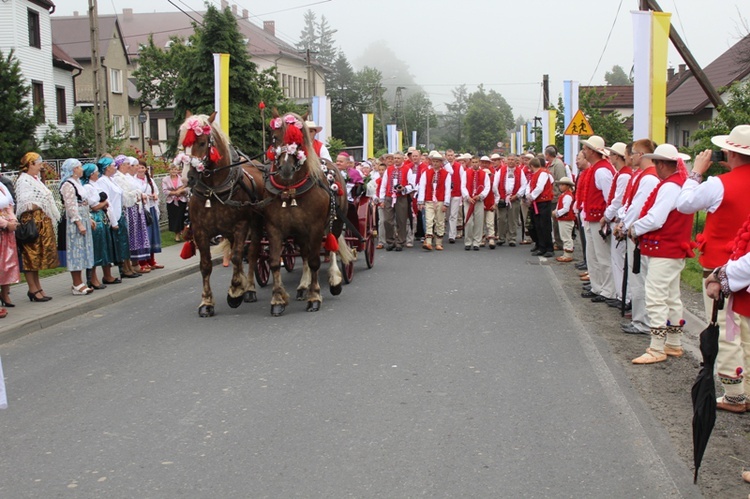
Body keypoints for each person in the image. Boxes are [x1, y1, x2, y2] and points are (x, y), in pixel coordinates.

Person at [676, 124, 750, 412]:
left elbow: (684, 204)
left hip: (723, 268)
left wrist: (696, 173)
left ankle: (734, 393)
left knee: (728, 331)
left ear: (729, 153)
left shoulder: (719, 183)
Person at [629, 144, 693, 365]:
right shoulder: (678, 184)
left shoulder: (669, 187)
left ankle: (657, 346)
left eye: (656, 162)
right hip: (673, 247)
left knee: (656, 295)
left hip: (664, 247)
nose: (655, 166)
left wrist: (634, 228)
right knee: (671, 295)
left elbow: (656, 218)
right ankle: (673, 342)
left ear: (663, 164)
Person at [615, 138, 659, 335]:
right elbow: (631, 204)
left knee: (639, 278)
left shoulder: (649, 177)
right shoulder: (644, 175)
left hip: (639, 233)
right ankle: (641, 318)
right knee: (637, 277)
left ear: (641, 155)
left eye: (633, 153)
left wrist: (625, 226)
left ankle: (642, 321)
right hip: (637, 231)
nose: (630, 157)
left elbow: (639, 207)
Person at [15, 152, 60, 302]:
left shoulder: (35, 179)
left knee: (37, 257)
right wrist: (41, 204)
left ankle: (37, 287)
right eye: (38, 163)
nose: (41, 165)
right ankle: (32, 289)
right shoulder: (23, 181)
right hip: (31, 221)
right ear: (30, 164)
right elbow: (24, 203)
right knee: (30, 256)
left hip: (40, 220)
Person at [579, 136, 616, 303]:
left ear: (593, 151)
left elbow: (610, 196)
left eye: (586, 149)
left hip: (598, 218)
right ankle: (598, 286)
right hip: (592, 216)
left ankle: (607, 290)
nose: (584, 151)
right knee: (593, 254)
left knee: (602, 256)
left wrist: (606, 217)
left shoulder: (602, 170)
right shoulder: (597, 168)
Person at [602, 142, 633, 308]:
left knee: (619, 260)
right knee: (617, 260)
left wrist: (607, 216)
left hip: (620, 220)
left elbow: (619, 200)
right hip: (618, 219)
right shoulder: (622, 174)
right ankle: (621, 294)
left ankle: (624, 296)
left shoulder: (624, 176)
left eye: (612, 155)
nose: (610, 158)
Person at [97, 155, 138, 279]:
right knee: (118, 243)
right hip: (113, 215)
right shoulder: (102, 181)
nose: (115, 167)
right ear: (106, 168)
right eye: (112, 166)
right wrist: (112, 219)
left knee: (124, 242)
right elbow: (107, 200)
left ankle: (127, 266)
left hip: (120, 213)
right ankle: (123, 268)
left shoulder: (112, 180)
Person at [59, 158, 95, 295]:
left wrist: (89, 218)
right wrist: (79, 223)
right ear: (74, 169)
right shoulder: (68, 185)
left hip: (84, 216)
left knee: (83, 250)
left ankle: (81, 282)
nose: (82, 169)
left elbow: (84, 202)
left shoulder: (77, 182)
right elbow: (71, 206)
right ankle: (76, 283)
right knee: (76, 250)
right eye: (80, 167)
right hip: (76, 221)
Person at [81, 163, 118, 288]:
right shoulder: (87, 187)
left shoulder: (96, 185)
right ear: (91, 174)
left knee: (104, 246)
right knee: (96, 248)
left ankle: (107, 275)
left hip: (102, 218)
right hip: (95, 219)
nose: (98, 173)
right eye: (96, 172)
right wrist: (104, 203)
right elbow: (94, 206)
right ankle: (92, 279)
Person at [378, 151, 416, 251]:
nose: (396, 160)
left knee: (401, 220)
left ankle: (400, 241)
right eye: (395, 158)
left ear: (403, 159)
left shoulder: (407, 169)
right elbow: (384, 184)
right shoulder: (389, 170)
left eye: (398, 158)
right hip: (389, 197)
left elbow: (412, 185)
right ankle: (390, 241)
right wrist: (382, 198)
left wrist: (404, 188)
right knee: (387, 220)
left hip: (401, 197)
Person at [417, 151, 451, 251]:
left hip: (440, 200)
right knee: (429, 220)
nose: (435, 163)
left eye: (437, 161)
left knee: (440, 221)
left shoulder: (446, 174)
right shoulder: (426, 173)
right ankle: (428, 242)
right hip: (429, 200)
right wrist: (421, 201)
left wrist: (446, 203)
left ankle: (439, 242)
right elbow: (422, 187)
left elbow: (448, 189)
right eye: (434, 161)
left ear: (441, 163)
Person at [524, 157, 555, 257]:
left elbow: (539, 187)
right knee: (537, 225)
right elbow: (529, 186)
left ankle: (549, 248)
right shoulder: (536, 174)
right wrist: (529, 195)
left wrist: (531, 196)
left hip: (544, 202)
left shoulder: (543, 173)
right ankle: (541, 246)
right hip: (537, 203)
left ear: (532, 166)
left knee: (545, 225)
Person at [135, 160, 163, 270]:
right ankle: (142, 261)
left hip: (151, 208)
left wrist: (155, 195)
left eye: (142, 167)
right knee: (145, 235)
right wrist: (147, 196)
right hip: (143, 209)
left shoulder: (149, 180)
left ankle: (152, 260)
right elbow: (138, 193)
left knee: (152, 235)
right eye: (138, 167)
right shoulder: (134, 180)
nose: (140, 169)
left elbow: (155, 191)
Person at [493, 154, 525, 247]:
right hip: (503, 198)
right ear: (506, 161)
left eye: (513, 160)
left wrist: (517, 195)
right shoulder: (501, 171)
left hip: (514, 198)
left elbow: (524, 184)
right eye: (509, 159)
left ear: (516, 161)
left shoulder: (520, 171)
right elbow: (495, 184)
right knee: (501, 219)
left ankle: (512, 238)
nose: (511, 161)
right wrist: (499, 197)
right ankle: (501, 237)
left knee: (513, 219)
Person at [460, 155, 490, 250]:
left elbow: (487, 187)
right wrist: (467, 197)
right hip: (469, 200)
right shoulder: (466, 173)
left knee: (479, 221)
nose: (475, 164)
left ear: (479, 163)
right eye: (473, 162)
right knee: (468, 222)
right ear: (471, 163)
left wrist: (480, 196)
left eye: (476, 162)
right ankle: (468, 241)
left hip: (479, 201)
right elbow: (463, 186)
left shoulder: (484, 174)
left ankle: (477, 242)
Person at [0, 176, 19, 311]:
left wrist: (12, 220)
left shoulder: (2, 186)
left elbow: (9, 206)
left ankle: (5, 293)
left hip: (7, 232)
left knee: (7, 263)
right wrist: (5, 223)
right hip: (2, 227)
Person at [544, 145, 568, 250]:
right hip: (552, 196)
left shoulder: (558, 165)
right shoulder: (550, 164)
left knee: (557, 221)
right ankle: (557, 241)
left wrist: (560, 194)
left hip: (557, 196)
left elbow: (561, 180)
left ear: (548, 154)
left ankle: (560, 243)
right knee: (554, 221)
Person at [162, 164, 189, 242]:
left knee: (181, 217)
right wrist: (174, 193)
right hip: (171, 201)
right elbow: (165, 190)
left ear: (177, 170)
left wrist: (180, 191)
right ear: (169, 170)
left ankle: (183, 233)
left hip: (181, 200)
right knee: (174, 218)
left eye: (175, 169)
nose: (173, 171)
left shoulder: (182, 179)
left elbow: (187, 189)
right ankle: (176, 234)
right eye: (172, 169)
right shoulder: (165, 179)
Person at [553, 177, 576, 262]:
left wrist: (557, 213)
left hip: (566, 219)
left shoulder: (567, 196)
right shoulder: (564, 195)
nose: (560, 187)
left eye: (562, 185)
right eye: (560, 185)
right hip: (563, 219)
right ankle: (566, 253)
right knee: (564, 236)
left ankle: (568, 254)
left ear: (567, 186)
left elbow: (566, 208)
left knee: (566, 237)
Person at [479, 156, 497, 248]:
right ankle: (482, 238)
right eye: (483, 162)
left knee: (490, 222)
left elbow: (497, 194)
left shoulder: (493, 184)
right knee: (480, 222)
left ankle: (491, 238)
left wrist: (495, 204)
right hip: (480, 204)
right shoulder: (479, 182)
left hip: (490, 204)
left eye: (489, 175)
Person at [446, 150, 464, 243]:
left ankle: (452, 235)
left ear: (454, 156)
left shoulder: (459, 166)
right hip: (446, 194)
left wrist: (462, 194)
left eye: (451, 155)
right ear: (446, 156)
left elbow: (462, 179)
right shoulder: (444, 166)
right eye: (448, 155)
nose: (450, 157)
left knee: (454, 215)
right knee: (446, 215)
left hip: (456, 193)